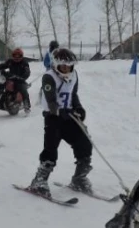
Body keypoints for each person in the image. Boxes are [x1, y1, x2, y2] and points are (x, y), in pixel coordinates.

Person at [28, 48, 93, 196]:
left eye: (69, 66)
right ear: (56, 65)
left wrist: (79, 108)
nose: (66, 68)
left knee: (85, 142)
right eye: (63, 66)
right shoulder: (49, 77)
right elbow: (51, 100)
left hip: (69, 117)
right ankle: (39, 180)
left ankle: (79, 178)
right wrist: (59, 111)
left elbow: (73, 94)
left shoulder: (74, 75)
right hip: (53, 118)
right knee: (50, 149)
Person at [0, 47, 31, 112]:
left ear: (21, 56)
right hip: (10, 77)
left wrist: (23, 77)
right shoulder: (10, 61)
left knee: (23, 90)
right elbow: (4, 65)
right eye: (15, 55)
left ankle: (27, 106)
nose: (17, 57)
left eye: (18, 55)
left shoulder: (24, 62)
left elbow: (27, 71)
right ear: (13, 55)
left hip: (19, 79)